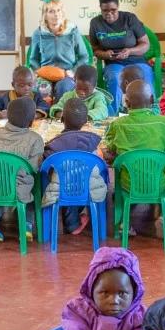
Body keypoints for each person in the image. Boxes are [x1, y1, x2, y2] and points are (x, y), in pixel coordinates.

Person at [102, 80, 165, 236]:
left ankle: (125, 221)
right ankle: (161, 215)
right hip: (159, 182)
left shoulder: (118, 125)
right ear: (151, 100)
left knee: (123, 183)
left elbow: (109, 146)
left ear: (126, 102)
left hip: (129, 183)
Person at [58, 247, 146, 330]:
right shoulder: (78, 310)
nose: (114, 301)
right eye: (105, 293)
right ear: (91, 290)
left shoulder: (140, 318)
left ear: (134, 292)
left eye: (122, 294)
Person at [0, 97, 45, 243]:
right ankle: (27, 226)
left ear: (7, 117)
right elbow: (33, 168)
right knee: (33, 183)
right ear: (31, 122)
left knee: (0, 179)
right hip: (18, 190)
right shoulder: (35, 139)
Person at [43, 98, 107, 235]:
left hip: (59, 190)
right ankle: (75, 223)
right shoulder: (93, 143)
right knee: (79, 179)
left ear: (62, 119)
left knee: (64, 179)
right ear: (85, 122)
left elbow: (44, 167)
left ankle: (72, 224)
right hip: (89, 189)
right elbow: (101, 167)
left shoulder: (54, 145)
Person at [89, 0, 152, 112]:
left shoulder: (129, 18)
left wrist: (130, 51)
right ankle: (113, 115)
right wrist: (105, 54)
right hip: (114, 63)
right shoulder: (95, 23)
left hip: (136, 61)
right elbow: (95, 50)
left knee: (145, 76)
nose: (109, 14)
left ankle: (150, 111)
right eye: (105, 11)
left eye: (113, 10)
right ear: (100, 9)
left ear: (118, 6)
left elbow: (145, 45)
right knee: (114, 78)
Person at [29, 0, 91, 99]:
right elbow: (33, 59)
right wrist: (39, 72)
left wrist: (73, 71)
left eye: (58, 10)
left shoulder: (72, 31)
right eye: (51, 11)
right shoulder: (38, 33)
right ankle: (43, 113)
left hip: (67, 74)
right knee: (43, 89)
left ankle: (59, 114)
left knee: (63, 87)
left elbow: (84, 56)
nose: (56, 15)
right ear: (45, 15)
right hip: (46, 74)